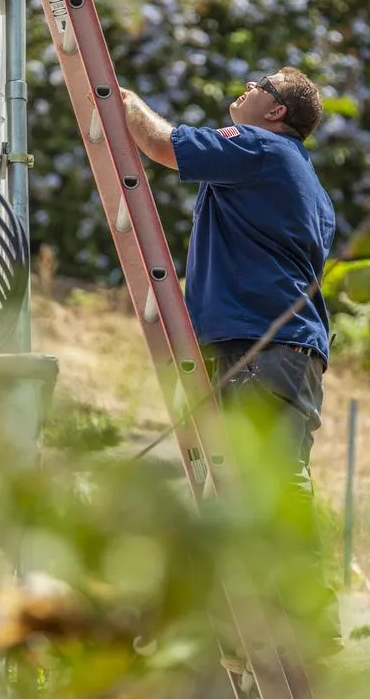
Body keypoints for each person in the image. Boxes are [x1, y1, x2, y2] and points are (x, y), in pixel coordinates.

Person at [121, 66, 335, 493]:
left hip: (263, 346)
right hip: (272, 347)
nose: (248, 87)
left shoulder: (263, 148)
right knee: (250, 493)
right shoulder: (298, 175)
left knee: (274, 487)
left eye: (262, 85)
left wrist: (122, 102)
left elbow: (163, 145)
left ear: (276, 110)